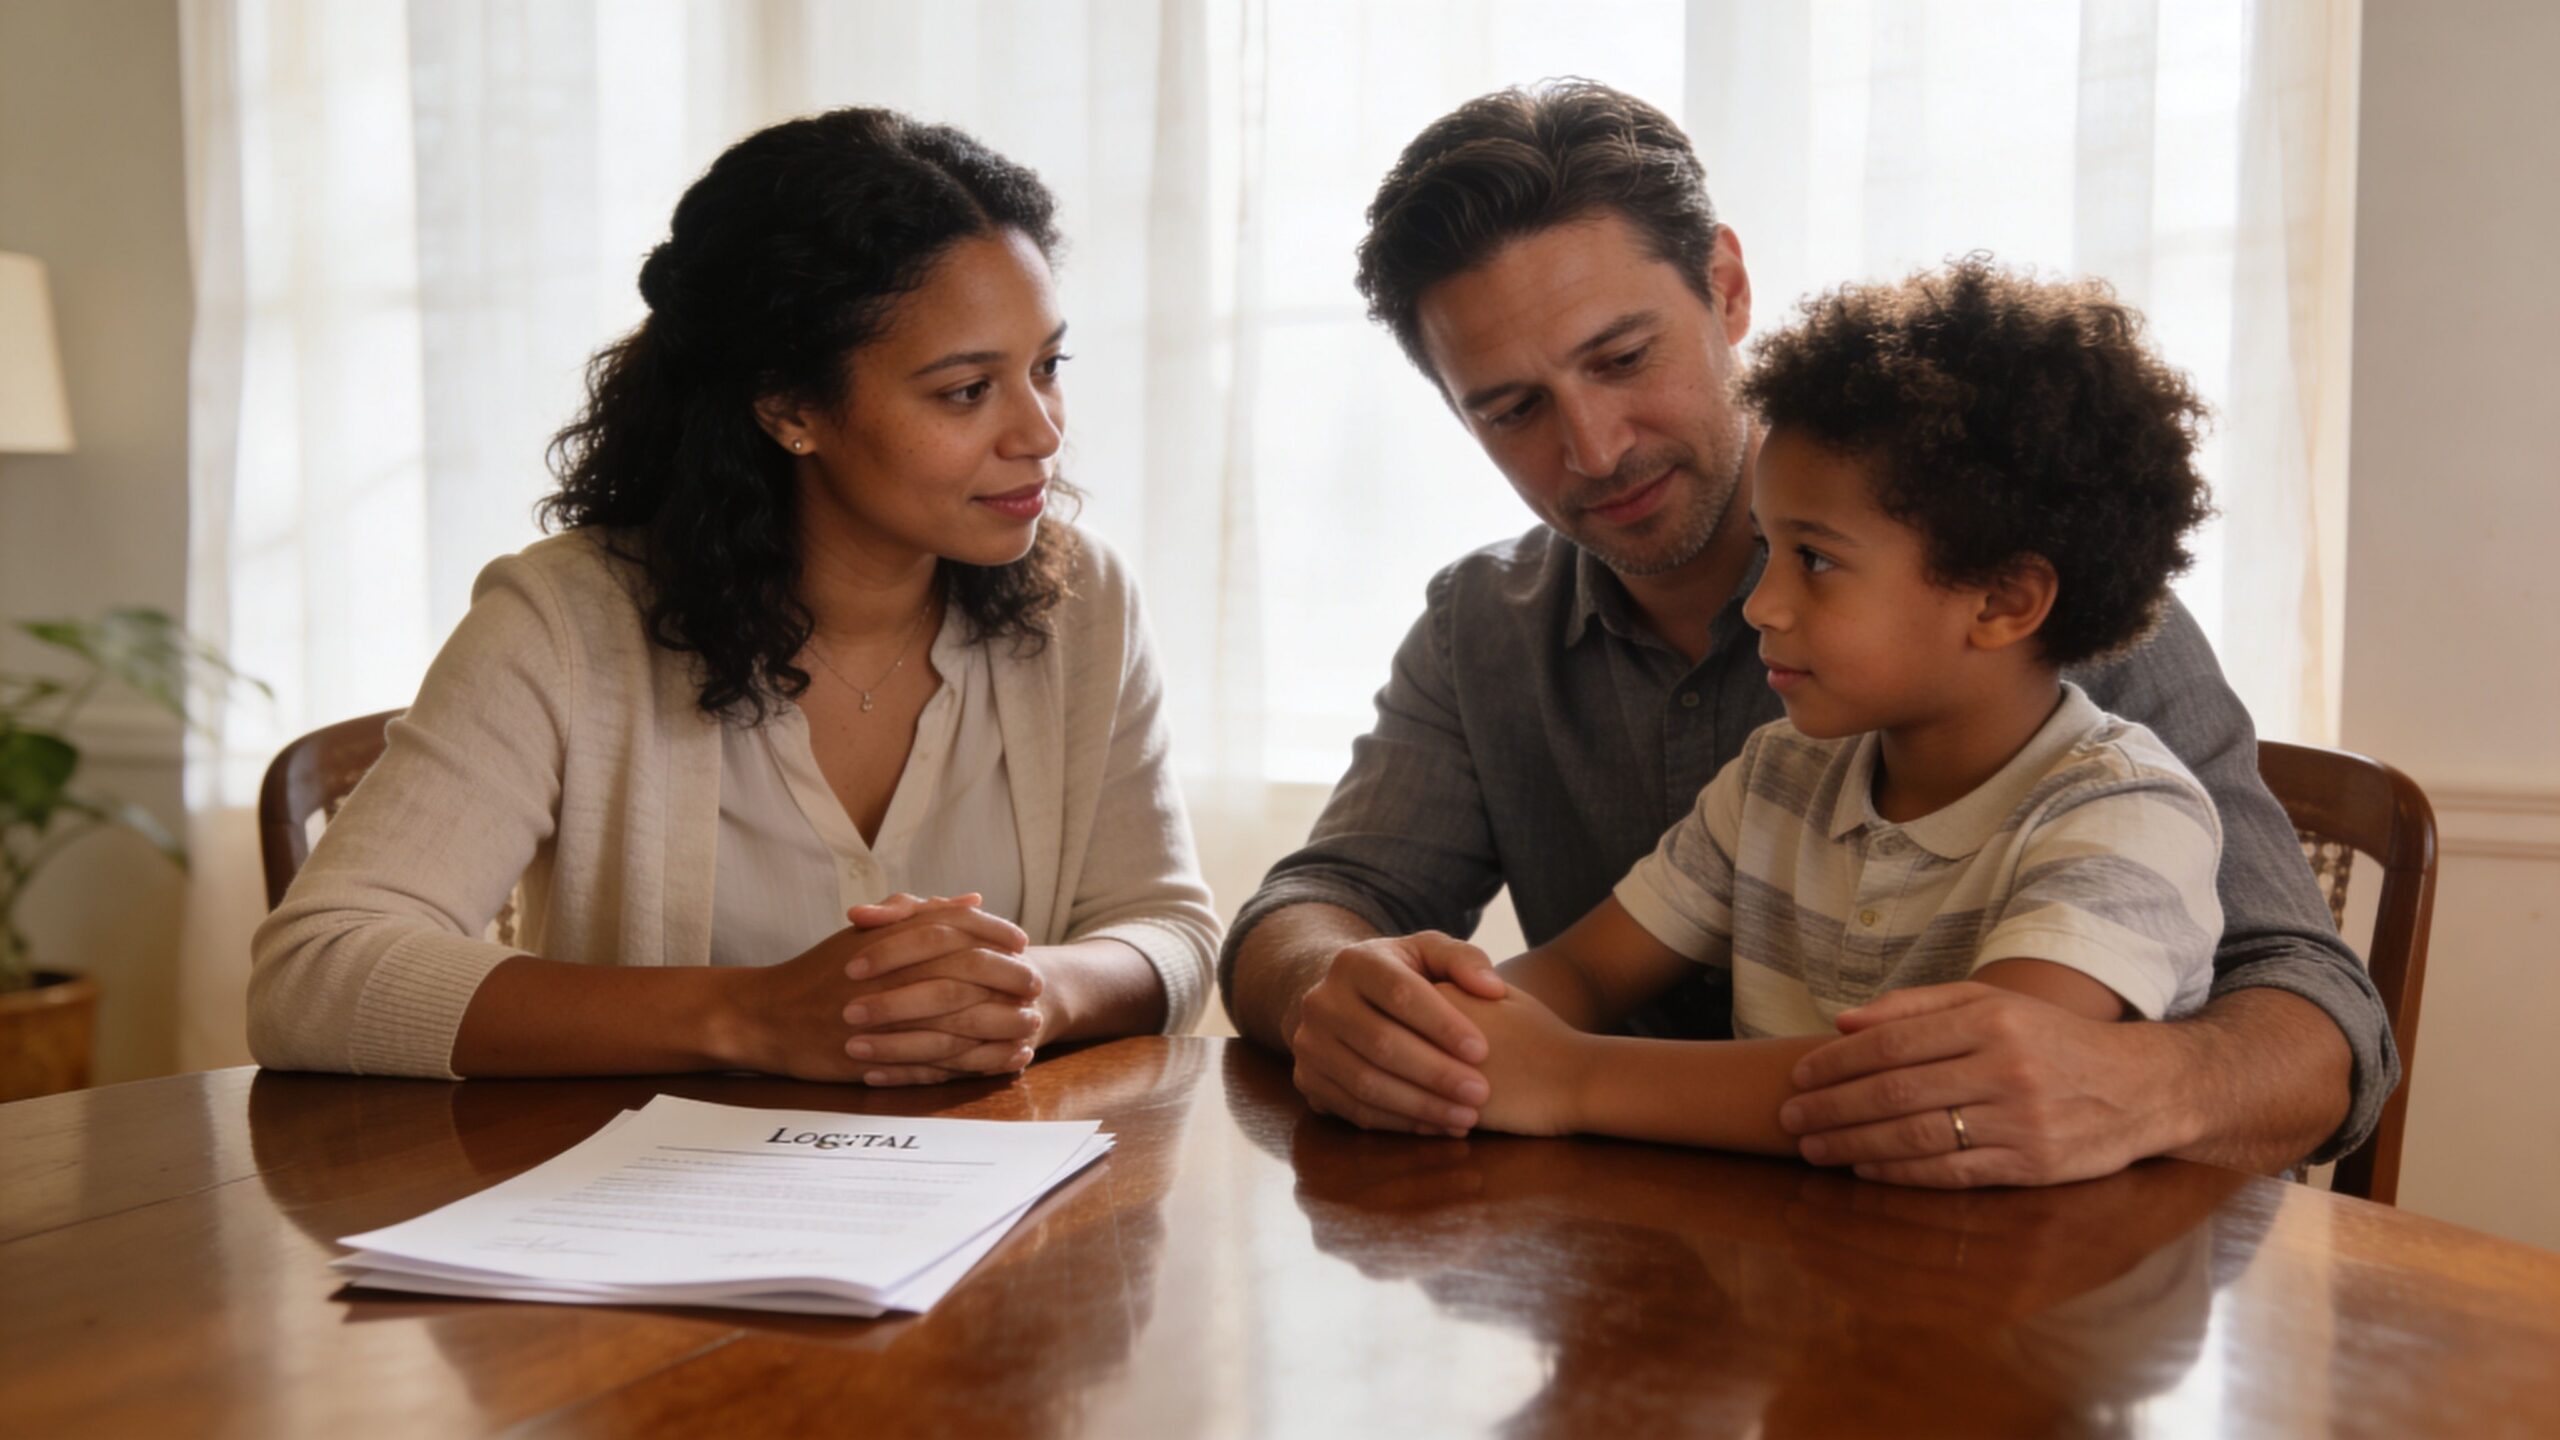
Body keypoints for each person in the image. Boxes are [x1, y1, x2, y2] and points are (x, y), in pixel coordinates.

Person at [1221, 80, 2394, 1187]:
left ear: (1726, 288)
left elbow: (2314, 1015)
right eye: (1512, 409)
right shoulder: (1492, 632)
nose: (1592, 448)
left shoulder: (2023, 598)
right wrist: (1357, 1003)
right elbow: (1322, 899)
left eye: (1623, 358)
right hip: (1648, 1289)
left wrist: (2149, 1084)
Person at [250, 108, 1217, 1083]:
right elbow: (315, 972)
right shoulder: (563, 624)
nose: (1041, 431)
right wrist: (753, 1015)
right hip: (640, 1217)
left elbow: (1169, 929)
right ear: (789, 407)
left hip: (1009, 1210)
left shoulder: (1080, 599)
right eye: (966, 390)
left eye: (1047, 367)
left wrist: (1031, 990)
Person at [1429, 259, 2226, 1155]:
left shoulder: (2125, 818)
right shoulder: (1781, 778)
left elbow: (1929, 1092)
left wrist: (1572, 1078)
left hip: (2023, 1285)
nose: (1761, 603)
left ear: (2002, 603)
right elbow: (1579, 968)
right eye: (1767, 547)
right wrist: (1446, 1035)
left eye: (1813, 559)